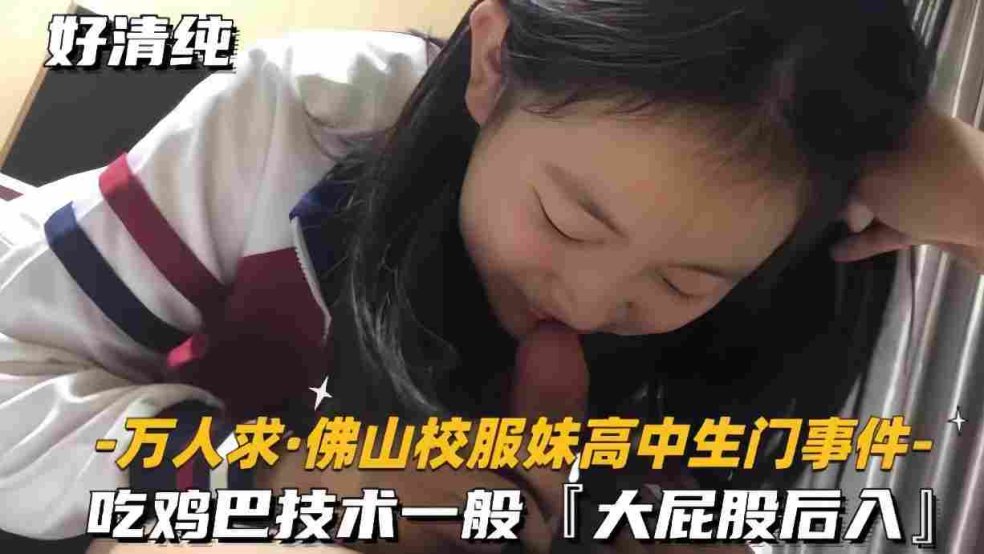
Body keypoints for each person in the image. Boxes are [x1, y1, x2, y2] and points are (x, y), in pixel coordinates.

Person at [1, 0, 982, 551]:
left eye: (687, 280)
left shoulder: (768, 327)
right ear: (493, 60)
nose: (590, 303)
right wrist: (286, 477)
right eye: (568, 218)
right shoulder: (305, 121)